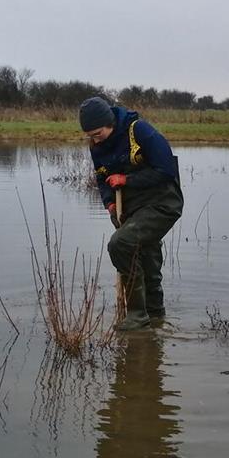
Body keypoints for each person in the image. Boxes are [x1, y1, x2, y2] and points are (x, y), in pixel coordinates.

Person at [79, 96, 184, 331]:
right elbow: (102, 177)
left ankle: (137, 315)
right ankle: (156, 317)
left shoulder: (141, 131)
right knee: (146, 255)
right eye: (90, 135)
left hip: (162, 203)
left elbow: (166, 170)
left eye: (98, 133)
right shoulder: (97, 145)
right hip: (131, 208)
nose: (94, 140)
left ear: (110, 123)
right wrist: (110, 204)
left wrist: (126, 179)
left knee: (121, 244)